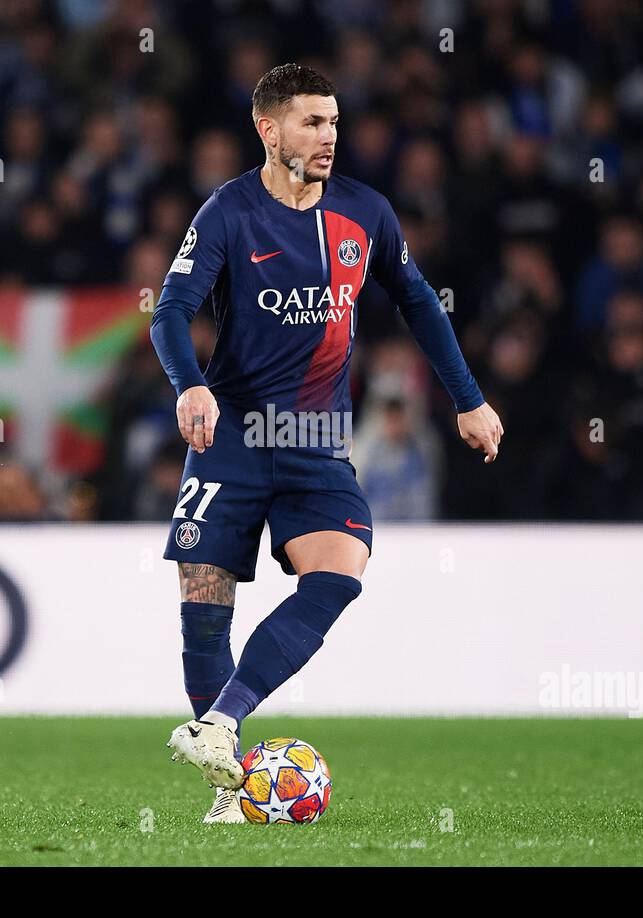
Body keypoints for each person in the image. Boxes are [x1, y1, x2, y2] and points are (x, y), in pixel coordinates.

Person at [149, 64, 503, 822]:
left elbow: (417, 302)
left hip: (315, 440)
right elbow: (169, 312)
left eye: (334, 121)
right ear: (268, 130)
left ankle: (220, 724)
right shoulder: (226, 214)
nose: (329, 136)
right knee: (205, 607)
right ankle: (229, 788)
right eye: (312, 122)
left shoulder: (366, 213)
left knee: (340, 573)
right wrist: (189, 383)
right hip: (232, 435)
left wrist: (468, 400)